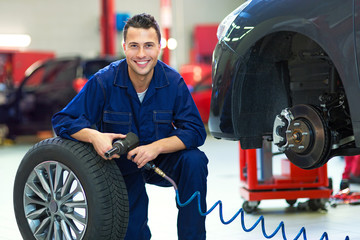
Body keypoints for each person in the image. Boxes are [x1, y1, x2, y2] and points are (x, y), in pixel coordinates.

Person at [52, 13, 208, 240]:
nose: (142, 54)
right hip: (119, 164)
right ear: (124, 47)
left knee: (194, 160)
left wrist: (156, 147)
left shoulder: (173, 82)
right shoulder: (104, 81)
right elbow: (64, 120)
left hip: (160, 158)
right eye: (134, 46)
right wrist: (95, 136)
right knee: (133, 230)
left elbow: (195, 130)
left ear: (160, 47)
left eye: (149, 46)